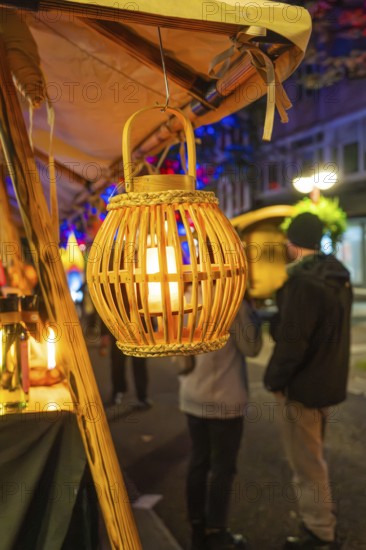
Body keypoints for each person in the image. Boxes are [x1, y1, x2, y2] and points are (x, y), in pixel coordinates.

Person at [264, 212, 353, 550]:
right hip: (327, 382)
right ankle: (321, 523)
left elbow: (292, 341)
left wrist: (275, 379)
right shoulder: (337, 276)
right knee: (314, 458)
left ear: (294, 243)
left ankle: (319, 532)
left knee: (306, 463)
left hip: (301, 387)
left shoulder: (302, 282)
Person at [179, 295, 262, 550]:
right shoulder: (230, 299)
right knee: (222, 468)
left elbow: (177, 351)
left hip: (193, 394)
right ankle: (216, 531)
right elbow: (251, 347)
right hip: (225, 398)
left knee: (198, 462)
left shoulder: (184, 296)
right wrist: (250, 314)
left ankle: (197, 528)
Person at [100, 322, 151, 408]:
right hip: (118, 329)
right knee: (117, 363)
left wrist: (149, 330)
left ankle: (142, 396)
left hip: (138, 330)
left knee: (139, 364)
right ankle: (118, 390)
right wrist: (104, 333)